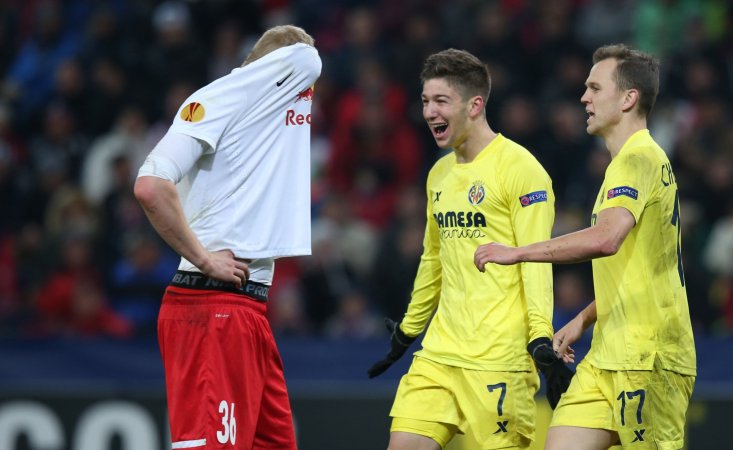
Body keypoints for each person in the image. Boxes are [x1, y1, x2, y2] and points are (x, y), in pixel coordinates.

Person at [474, 44, 696, 450]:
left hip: (649, 358)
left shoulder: (639, 159)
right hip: (606, 355)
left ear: (629, 98)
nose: (584, 98)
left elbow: (605, 239)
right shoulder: (626, 164)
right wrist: (584, 319)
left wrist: (517, 251)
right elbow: (640, 266)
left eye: (595, 88)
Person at [368, 48, 571, 450]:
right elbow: (433, 260)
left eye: (441, 101)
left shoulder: (521, 169)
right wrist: (410, 328)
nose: (429, 112)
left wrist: (540, 338)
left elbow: (537, 258)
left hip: (500, 359)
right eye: (425, 100)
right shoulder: (439, 173)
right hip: (440, 356)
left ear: (475, 105)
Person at [133, 25, 321, 450]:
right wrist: (203, 257)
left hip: (248, 310)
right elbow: (150, 185)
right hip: (210, 305)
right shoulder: (219, 97)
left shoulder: (258, 126)